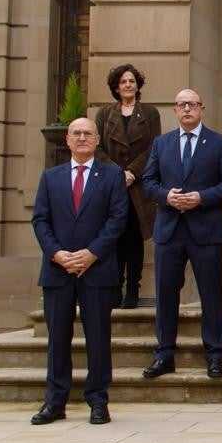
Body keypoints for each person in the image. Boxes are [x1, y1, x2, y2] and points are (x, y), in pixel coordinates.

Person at [29, 117, 128, 426]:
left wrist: (91, 253)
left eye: (88, 133)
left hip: (96, 270)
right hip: (58, 271)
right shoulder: (50, 177)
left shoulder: (111, 176)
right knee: (57, 338)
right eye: (77, 133)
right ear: (68, 141)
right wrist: (58, 254)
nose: (82, 138)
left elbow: (117, 220)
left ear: (97, 140)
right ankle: (55, 401)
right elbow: (40, 221)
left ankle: (98, 400)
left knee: (98, 337)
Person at [141, 88, 222, 380]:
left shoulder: (219, 143)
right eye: (182, 105)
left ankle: (214, 354)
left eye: (192, 104)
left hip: (205, 230)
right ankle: (164, 354)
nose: (187, 109)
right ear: (175, 110)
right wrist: (165, 196)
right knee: (166, 295)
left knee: (211, 294)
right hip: (169, 230)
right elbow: (148, 182)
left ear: (202, 108)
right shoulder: (161, 144)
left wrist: (202, 197)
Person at [94, 63, 161, 309]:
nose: (128, 85)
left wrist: (132, 172)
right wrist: (116, 173)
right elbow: (97, 147)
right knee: (113, 237)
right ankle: (115, 287)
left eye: (132, 81)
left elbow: (154, 147)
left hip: (138, 186)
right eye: (123, 82)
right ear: (116, 87)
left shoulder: (150, 113)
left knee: (134, 238)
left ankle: (133, 288)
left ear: (138, 85)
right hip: (111, 186)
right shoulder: (104, 114)